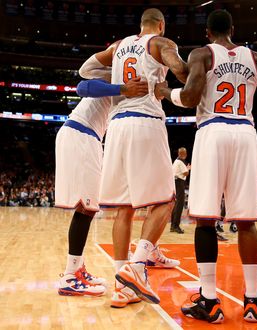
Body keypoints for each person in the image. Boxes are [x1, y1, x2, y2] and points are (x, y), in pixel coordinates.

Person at [155, 9, 257, 323]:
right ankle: (253, 301)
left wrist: (165, 92)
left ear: (207, 33)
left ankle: (210, 301)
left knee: (204, 219)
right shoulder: (256, 59)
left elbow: (189, 97)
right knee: (246, 221)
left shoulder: (203, 54)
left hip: (213, 132)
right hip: (245, 133)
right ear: (232, 29)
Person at [79, 8, 188, 306]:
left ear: (140, 25)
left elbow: (84, 72)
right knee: (167, 200)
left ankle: (121, 286)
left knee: (123, 209)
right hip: (145, 122)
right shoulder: (161, 43)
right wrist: (177, 81)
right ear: (161, 25)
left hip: (116, 128)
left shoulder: (117, 47)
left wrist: (118, 86)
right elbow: (180, 69)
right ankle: (137, 267)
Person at [56, 77, 149, 297]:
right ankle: (70, 276)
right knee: (85, 207)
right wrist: (122, 87)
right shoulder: (115, 77)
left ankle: (76, 269)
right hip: (81, 133)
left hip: (89, 137)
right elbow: (82, 87)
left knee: (88, 208)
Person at [171, 147, 190, 234]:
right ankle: (175, 226)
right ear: (183, 154)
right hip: (179, 183)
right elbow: (186, 173)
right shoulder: (180, 162)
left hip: (176, 182)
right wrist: (188, 169)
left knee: (176, 204)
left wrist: (186, 168)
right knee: (179, 205)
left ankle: (173, 225)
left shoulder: (176, 161)